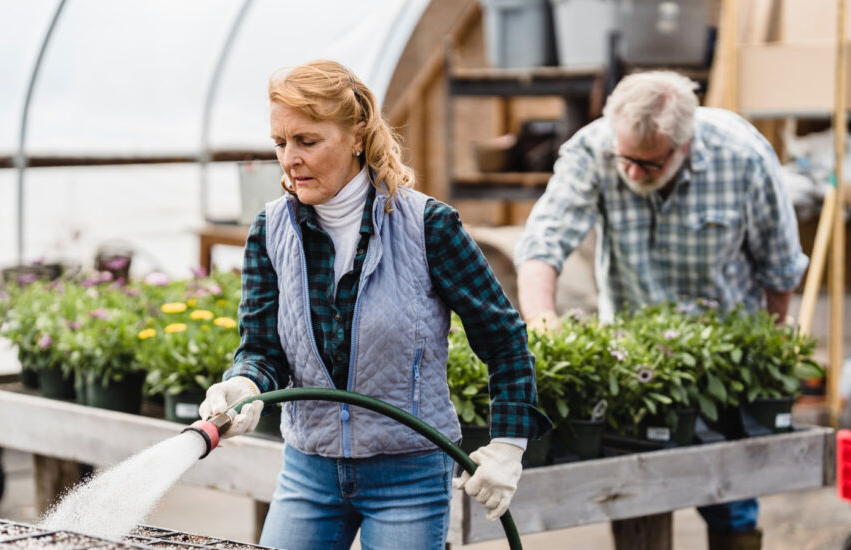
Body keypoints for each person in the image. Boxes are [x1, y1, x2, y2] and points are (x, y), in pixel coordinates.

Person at [198, 59, 551, 550]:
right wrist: (242, 384)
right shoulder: (270, 230)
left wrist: (509, 447)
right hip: (309, 472)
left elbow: (504, 337)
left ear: (356, 134)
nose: (289, 159)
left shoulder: (428, 226)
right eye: (281, 143)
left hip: (408, 476)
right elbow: (262, 348)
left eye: (307, 141)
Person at [515, 71, 808, 550]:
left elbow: (779, 269)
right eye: (624, 159)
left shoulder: (743, 157)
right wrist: (542, 321)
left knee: (728, 493)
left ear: (684, 145)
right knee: (636, 491)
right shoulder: (593, 150)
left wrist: (770, 354)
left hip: (720, 363)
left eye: (647, 165)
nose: (631, 173)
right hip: (632, 364)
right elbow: (542, 244)